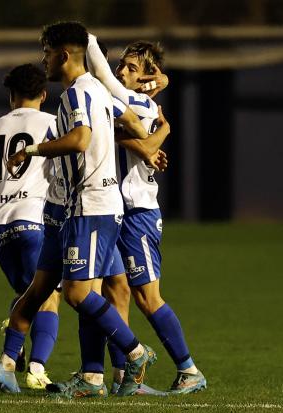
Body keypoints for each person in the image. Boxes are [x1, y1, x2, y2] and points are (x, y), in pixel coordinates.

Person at [0, 22, 158, 398]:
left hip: (92, 206)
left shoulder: (77, 94)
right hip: (68, 208)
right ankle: (7, 367)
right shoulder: (93, 92)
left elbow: (80, 141)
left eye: (46, 53)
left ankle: (134, 352)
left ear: (63, 55)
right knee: (38, 289)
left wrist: (30, 150)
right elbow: (131, 121)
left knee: (78, 294)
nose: (43, 61)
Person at [87, 36, 206, 394]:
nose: (121, 70)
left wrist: (150, 136)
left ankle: (189, 370)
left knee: (147, 296)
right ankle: (126, 378)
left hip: (137, 210)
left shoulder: (137, 103)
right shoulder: (133, 99)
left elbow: (142, 141)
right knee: (115, 292)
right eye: (121, 64)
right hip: (115, 210)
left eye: (131, 67)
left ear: (145, 78)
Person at [0, 64, 61, 389]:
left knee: (26, 296)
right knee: (49, 297)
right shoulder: (52, 124)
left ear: (11, 96)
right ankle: (35, 368)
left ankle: (11, 361)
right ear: (44, 94)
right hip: (33, 221)